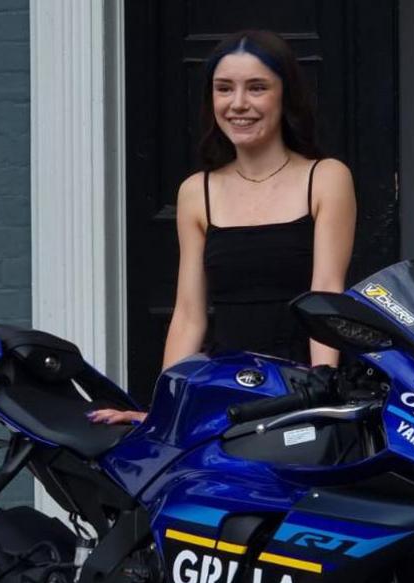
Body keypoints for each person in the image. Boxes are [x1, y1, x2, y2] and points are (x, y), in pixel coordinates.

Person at [88, 29, 356, 426]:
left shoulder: (326, 178)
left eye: (257, 88)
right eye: (224, 89)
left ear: (286, 96)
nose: (238, 104)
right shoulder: (197, 192)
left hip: (304, 388)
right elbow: (189, 314)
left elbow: (327, 294)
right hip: (228, 390)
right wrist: (164, 411)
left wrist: (321, 390)